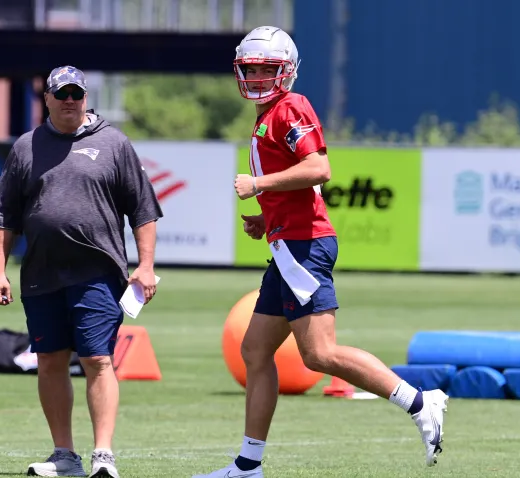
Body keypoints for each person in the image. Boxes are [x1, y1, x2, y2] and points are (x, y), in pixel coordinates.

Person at [192, 26, 449, 478]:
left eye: (265, 69)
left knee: (319, 354)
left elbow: (318, 168)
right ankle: (248, 465)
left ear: (286, 72)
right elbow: (296, 181)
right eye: (249, 68)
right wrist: (265, 218)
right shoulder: (269, 112)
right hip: (287, 242)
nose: (254, 76)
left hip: (303, 246)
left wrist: (258, 185)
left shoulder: (290, 106)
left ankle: (418, 401)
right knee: (255, 349)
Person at [0, 65, 163, 478]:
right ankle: (64, 456)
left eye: (76, 94)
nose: (69, 100)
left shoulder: (114, 143)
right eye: (61, 93)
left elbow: (143, 211)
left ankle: (104, 456)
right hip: (41, 274)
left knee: (97, 359)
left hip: (98, 273)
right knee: (49, 360)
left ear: (85, 98)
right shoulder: (26, 147)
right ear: (46, 99)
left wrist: (147, 265)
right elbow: (3, 218)